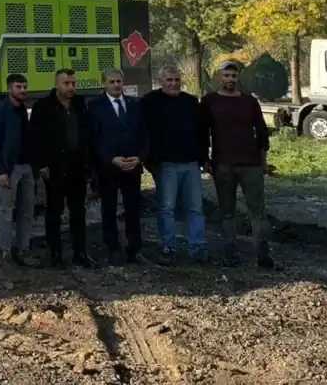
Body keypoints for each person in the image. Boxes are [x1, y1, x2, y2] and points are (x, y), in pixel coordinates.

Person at [202, 60, 275, 269]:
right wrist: (205, 159)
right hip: (222, 164)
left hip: (250, 163)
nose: (230, 80)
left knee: (257, 210)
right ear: (219, 77)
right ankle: (230, 252)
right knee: (227, 211)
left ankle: (263, 253)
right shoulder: (209, 101)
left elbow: (261, 131)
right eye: (226, 76)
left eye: (234, 76)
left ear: (238, 78)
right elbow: (202, 132)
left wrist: (263, 160)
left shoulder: (249, 101)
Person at [142, 64, 210, 265]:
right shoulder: (149, 102)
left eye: (177, 80)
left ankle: (197, 246)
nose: (173, 84)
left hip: (191, 163)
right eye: (169, 80)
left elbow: (202, 131)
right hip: (165, 164)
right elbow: (143, 131)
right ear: (160, 81)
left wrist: (204, 157)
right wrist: (149, 160)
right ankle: (168, 245)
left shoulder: (190, 102)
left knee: (195, 208)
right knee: (166, 208)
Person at [29, 69, 95, 268]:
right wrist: (41, 164)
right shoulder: (43, 106)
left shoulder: (81, 104)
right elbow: (35, 137)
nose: (71, 87)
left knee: (78, 211)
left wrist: (88, 163)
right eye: (66, 83)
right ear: (57, 85)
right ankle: (55, 254)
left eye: (73, 83)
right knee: (54, 212)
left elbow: (88, 134)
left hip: (77, 167)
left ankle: (80, 252)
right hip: (54, 168)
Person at [87, 68, 148, 265]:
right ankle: (113, 248)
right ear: (104, 83)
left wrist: (139, 157)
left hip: (132, 166)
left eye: (118, 81)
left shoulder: (134, 105)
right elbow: (94, 138)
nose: (116, 85)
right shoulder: (95, 107)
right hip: (108, 168)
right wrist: (111, 158)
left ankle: (134, 249)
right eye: (111, 82)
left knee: (133, 209)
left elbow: (144, 134)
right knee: (109, 208)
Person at [0, 73, 35, 266]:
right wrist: (0, 171)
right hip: (9, 168)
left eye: (24, 87)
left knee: (27, 210)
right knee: (6, 211)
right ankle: (5, 251)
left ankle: (23, 249)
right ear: (9, 89)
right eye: (18, 87)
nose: (23, 90)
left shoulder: (22, 109)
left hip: (26, 166)